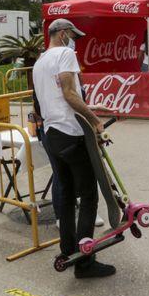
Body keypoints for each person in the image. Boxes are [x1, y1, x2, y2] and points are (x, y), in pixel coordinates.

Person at [33, 18, 115, 278]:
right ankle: (85, 261)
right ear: (63, 33)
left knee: (67, 194)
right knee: (89, 194)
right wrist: (95, 121)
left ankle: (68, 250)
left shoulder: (39, 62)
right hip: (71, 132)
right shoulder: (65, 53)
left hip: (52, 133)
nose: (75, 41)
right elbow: (70, 93)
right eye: (73, 35)